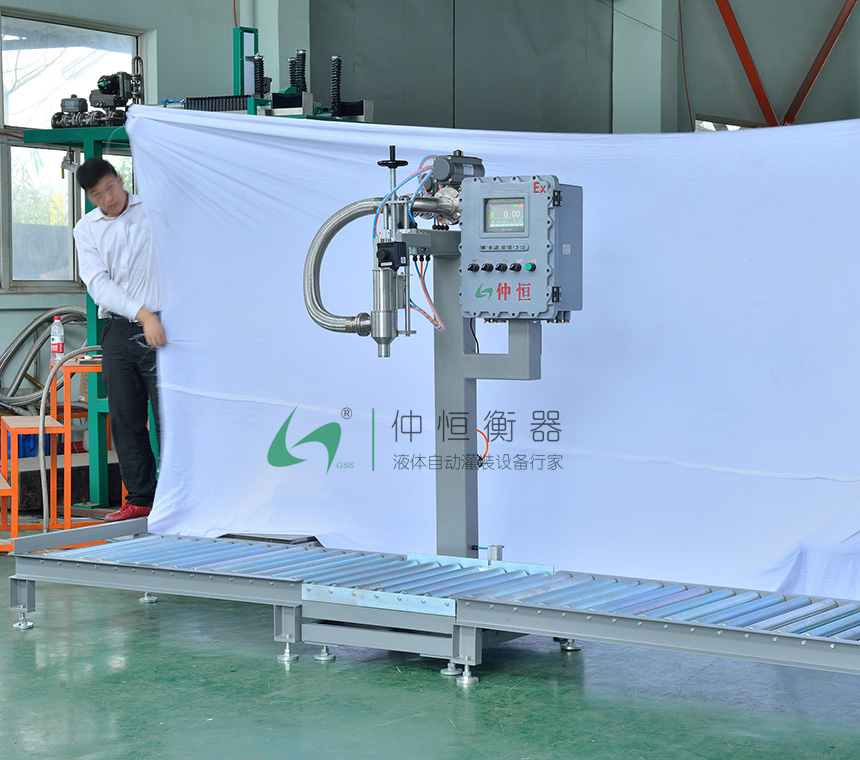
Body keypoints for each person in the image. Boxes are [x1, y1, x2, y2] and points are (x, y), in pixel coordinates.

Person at [73, 157, 165, 521]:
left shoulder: (154, 211)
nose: (108, 198)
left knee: (170, 416)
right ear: (89, 197)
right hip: (119, 330)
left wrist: (152, 318)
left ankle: (177, 496)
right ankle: (141, 499)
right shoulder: (86, 229)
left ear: (121, 179)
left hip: (164, 327)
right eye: (97, 194)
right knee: (125, 419)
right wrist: (142, 315)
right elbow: (99, 285)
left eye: (110, 188)